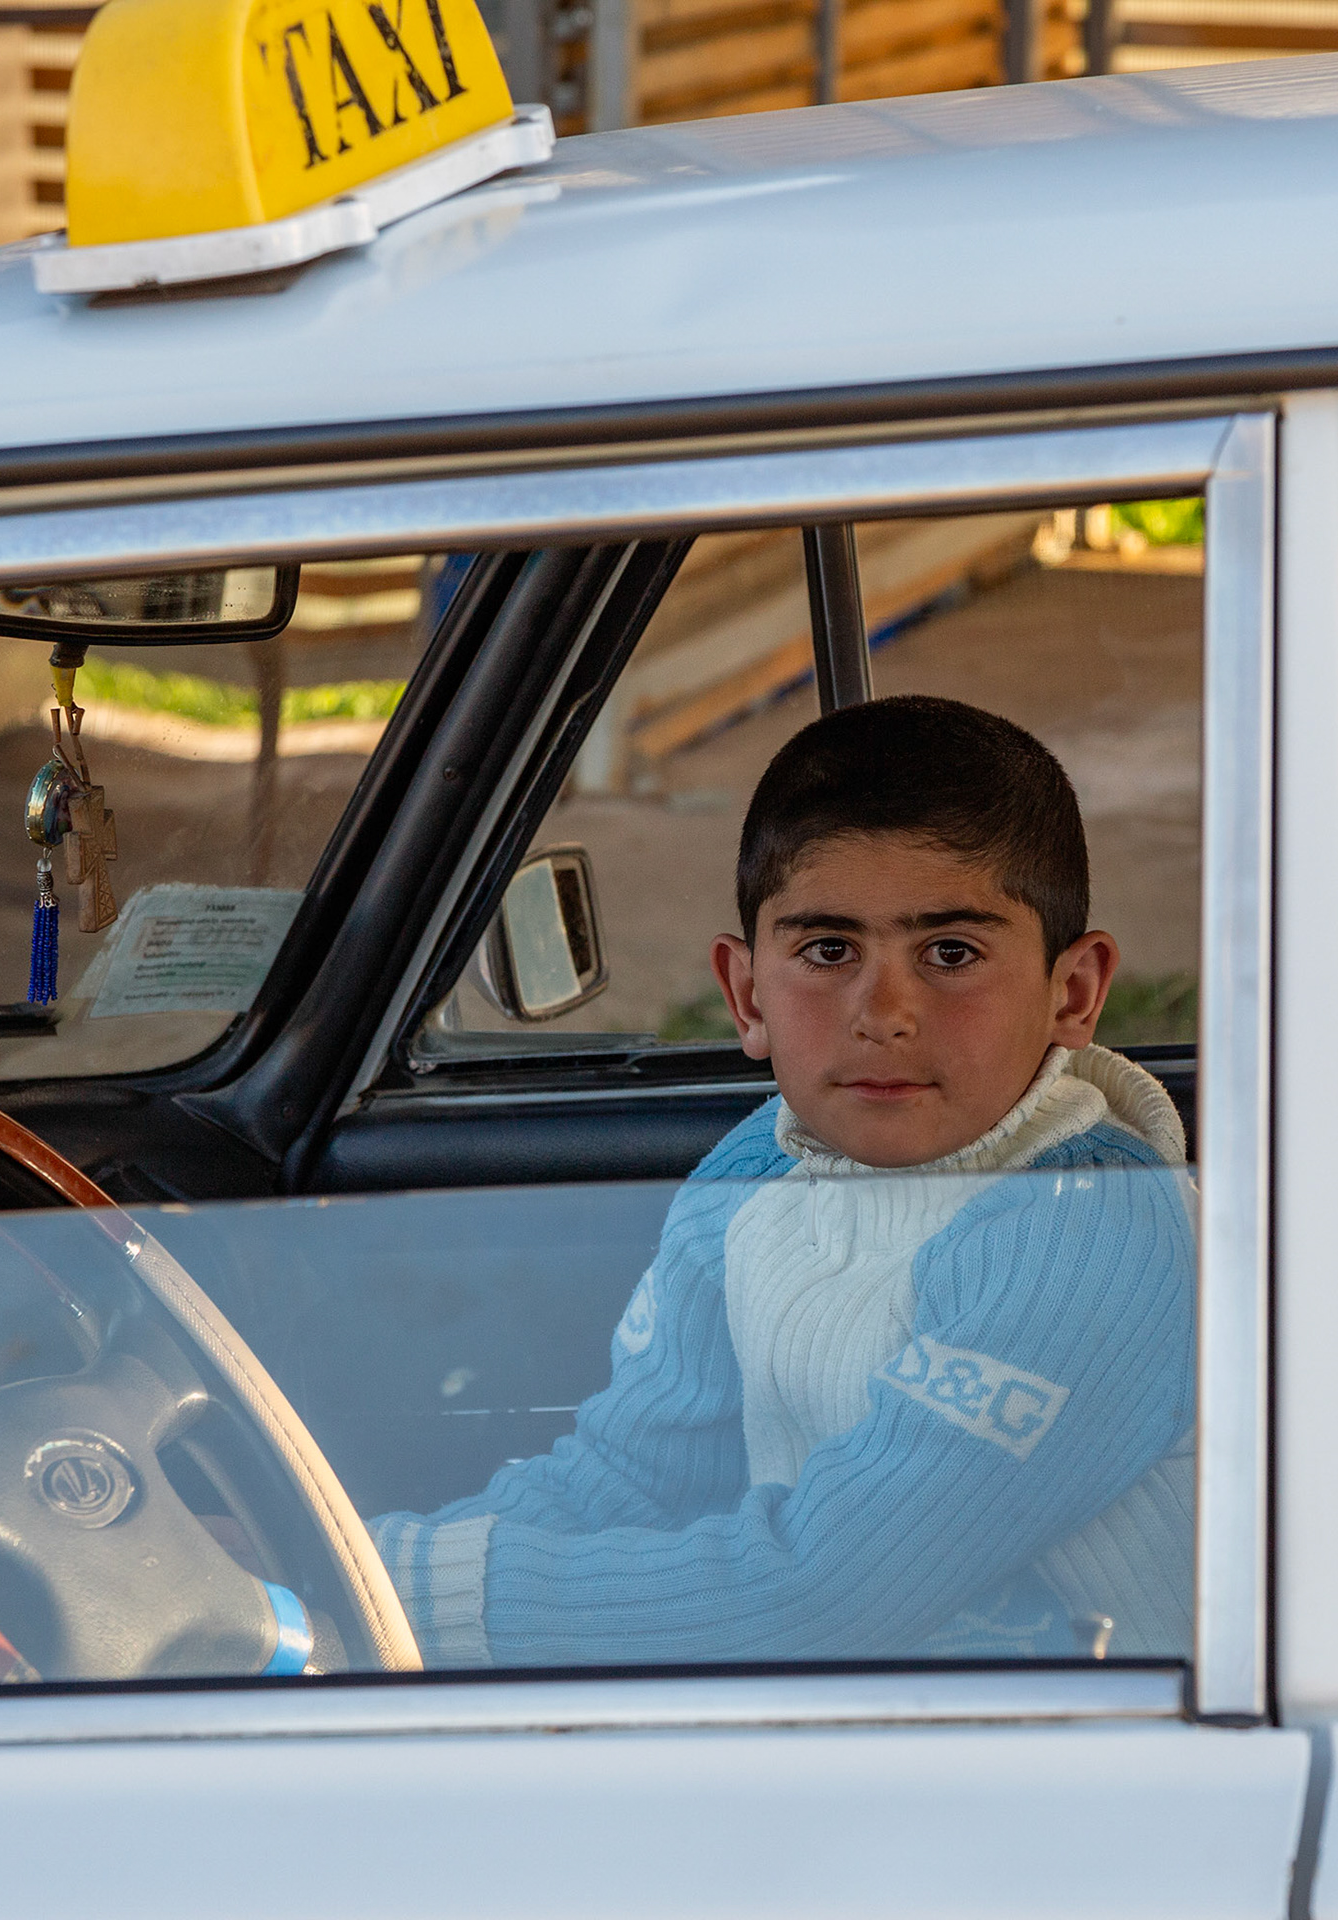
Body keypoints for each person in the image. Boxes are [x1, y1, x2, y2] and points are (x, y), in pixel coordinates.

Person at [369, 695, 1195, 1668]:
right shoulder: (752, 1177)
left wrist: (410, 1597)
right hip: (849, 1733)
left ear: (1074, 992)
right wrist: (361, 1575)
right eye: (828, 950)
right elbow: (633, 1476)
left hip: (1105, 1778)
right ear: (746, 994)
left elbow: (824, 1596)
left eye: (952, 953)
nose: (884, 1012)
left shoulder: (1088, 1235)